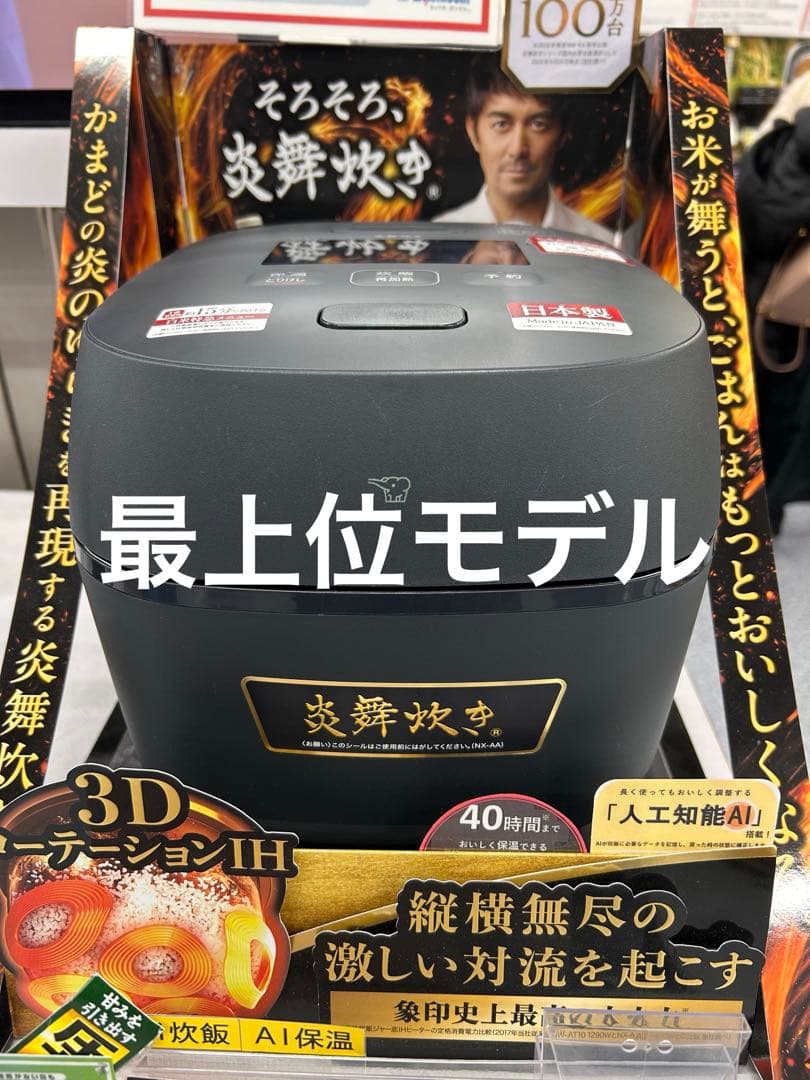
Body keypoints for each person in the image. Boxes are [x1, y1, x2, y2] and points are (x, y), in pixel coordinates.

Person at [736, 73, 810, 532]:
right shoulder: (799, 155)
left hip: (760, 296)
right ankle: (766, 504)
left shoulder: (769, 151)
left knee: (757, 404)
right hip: (790, 309)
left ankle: (755, 503)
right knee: (783, 411)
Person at [434, 55, 613, 243]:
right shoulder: (437, 245)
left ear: (563, 134)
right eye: (501, 124)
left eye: (538, 124)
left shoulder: (600, 247)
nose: (517, 149)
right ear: (473, 131)